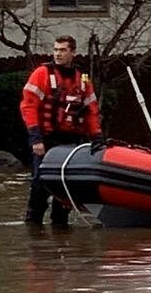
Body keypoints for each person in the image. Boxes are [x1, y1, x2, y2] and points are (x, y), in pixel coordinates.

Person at [20, 35, 102, 226]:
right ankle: (34, 224)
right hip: (46, 139)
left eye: (63, 50)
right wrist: (35, 138)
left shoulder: (82, 80)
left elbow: (91, 112)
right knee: (40, 184)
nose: (58, 54)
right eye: (56, 50)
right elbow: (28, 106)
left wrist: (97, 137)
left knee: (65, 187)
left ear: (72, 52)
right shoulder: (42, 74)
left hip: (71, 141)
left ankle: (60, 225)